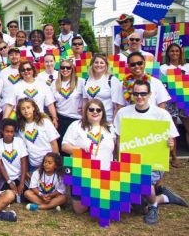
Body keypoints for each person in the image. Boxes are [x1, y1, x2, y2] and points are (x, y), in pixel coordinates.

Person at [113, 80, 188, 224]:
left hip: (152, 162)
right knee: (137, 207)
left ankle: (154, 206)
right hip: (130, 162)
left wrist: (171, 144)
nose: (139, 97)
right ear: (132, 95)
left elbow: (170, 143)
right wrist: (118, 160)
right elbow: (119, 139)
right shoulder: (123, 113)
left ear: (150, 94)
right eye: (136, 94)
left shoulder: (161, 114)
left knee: (142, 183)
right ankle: (163, 197)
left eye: (143, 93)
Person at [62, 99, 117, 214]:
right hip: (83, 172)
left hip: (104, 173)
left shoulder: (110, 128)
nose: (95, 112)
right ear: (86, 111)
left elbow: (117, 148)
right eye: (91, 109)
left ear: (103, 112)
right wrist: (78, 150)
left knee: (103, 208)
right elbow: (64, 146)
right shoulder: (76, 125)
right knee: (79, 210)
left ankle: (100, 196)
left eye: (98, 109)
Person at [3, 61, 58, 127]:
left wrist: (54, 118)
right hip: (22, 122)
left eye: (28, 69)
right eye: (23, 70)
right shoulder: (15, 87)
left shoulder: (43, 85)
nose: (26, 71)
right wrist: (4, 120)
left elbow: (50, 104)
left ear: (33, 70)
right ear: (20, 72)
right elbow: (10, 105)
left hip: (39, 120)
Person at [160, 43, 189, 166]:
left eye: (177, 51)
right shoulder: (163, 68)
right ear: (168, 53)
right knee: (172, 130)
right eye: (172, 51)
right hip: (170, 101)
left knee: (188, 127)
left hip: (184, 99)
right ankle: (174, 157)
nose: (175, 53)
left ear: (181, 53)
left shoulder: (187, 66)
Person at [15, 98, 59, 174]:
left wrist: (55, 162)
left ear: (33, 108)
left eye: (28, 107)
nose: (26, 111)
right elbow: (23, 150)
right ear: (20, 111)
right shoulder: (20, 127)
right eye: (23, 109)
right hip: (33, 165)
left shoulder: (44, 122)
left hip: (49, 163)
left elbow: (54, 143)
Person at [81, 54, 124, 123]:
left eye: (102, 63)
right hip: (91, 120)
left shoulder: (112, 80)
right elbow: (85, 102)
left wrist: (115, 123)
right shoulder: (86, 81)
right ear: (92, 64)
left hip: (107, 120)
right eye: (96, 62)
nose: (99, 65)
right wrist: (84, 119)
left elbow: (118, 105)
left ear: (106, 65)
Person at [51, 59, 83, 144]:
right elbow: (52, 103)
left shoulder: (80, 82)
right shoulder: (54, 83)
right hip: (61, 119)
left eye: (68, 68)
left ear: (72, 69)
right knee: (62, 145)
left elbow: (87, 98)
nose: (65, 70)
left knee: (75, 146)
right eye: (62, 67)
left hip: (77, 119)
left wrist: (84, 107)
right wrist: (54, 118)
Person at [0, 119, 27, 201]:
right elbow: (0, 165)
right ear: (2, 131)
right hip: (6, 178)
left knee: (27, 194)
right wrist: (9, 182)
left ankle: (18, 197)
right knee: (4, 196)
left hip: (19, 177)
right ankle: (16, 197)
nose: (9, 134)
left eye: (11, 131)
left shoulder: (19, 141)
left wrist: (22, 183)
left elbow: (24, 162)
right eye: (7, 131)